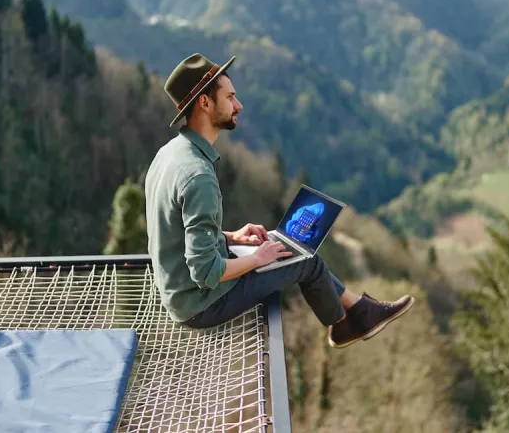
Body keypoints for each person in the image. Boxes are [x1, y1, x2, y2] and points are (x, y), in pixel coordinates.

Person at [144, 53, 414, 348]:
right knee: (304, 260)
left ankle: (357, 311)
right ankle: (346, 323)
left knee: (288, 248)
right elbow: (206, 273)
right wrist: (259, 259)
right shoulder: (198, 175)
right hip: (200, 305)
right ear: (205, 103)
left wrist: (232, 236)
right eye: (230, 97)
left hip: (178, 291)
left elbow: (175, 229)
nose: (239, 105)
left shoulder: (170, 154)